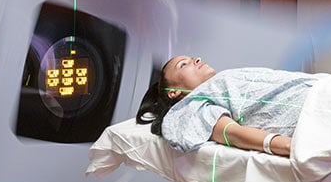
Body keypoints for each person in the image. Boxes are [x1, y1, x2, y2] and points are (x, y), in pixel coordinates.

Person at [136, 55, 318, 156]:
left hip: (322, 86)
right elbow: (234, 134)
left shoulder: (221, 83)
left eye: (193, 58)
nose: (197, 59)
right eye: (184, 64)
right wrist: (288, 146)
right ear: (174, 92)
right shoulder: (194, 107)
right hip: (316, 108)